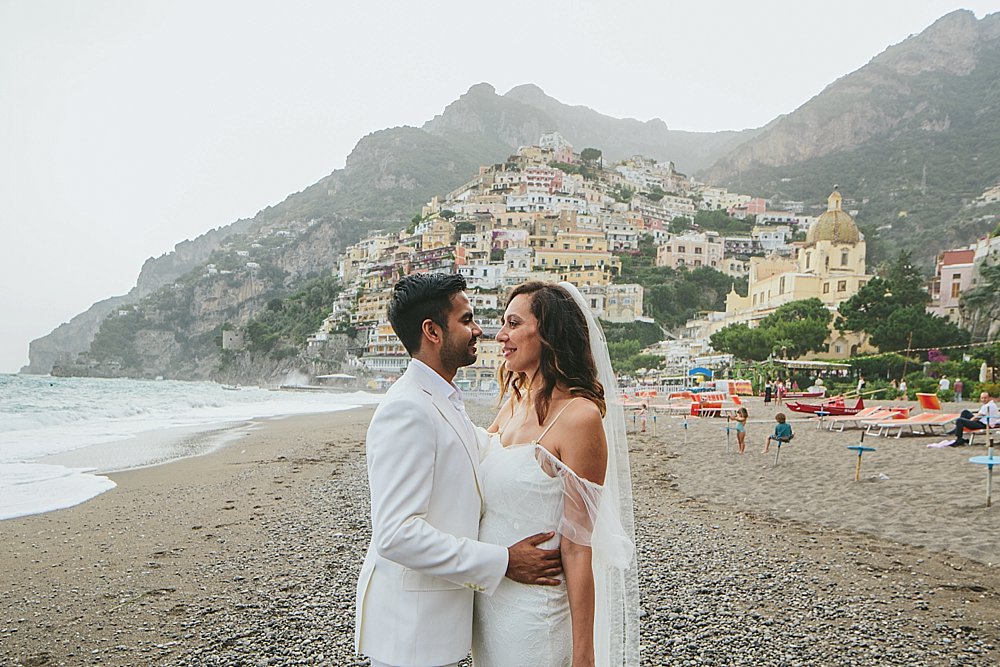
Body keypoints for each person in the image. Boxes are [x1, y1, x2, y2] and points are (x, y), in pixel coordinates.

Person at [355, 273, 562, 667]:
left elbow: (486, 446)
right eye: (466, 320)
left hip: (437, 632)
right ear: (432, 331)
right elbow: (396, 535)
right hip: (411, 639)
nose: (479, 331)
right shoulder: (407, 410)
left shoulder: (442, 398)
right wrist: (503, 560)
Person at [475, 281, 639, 667]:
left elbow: (579, 547)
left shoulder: (579, 418)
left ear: (547, 333)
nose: (501, 335)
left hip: (537, 615)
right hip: (492, 606)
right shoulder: (515, 402)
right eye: (503, 324)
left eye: (513, 324)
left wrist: (584, 655)